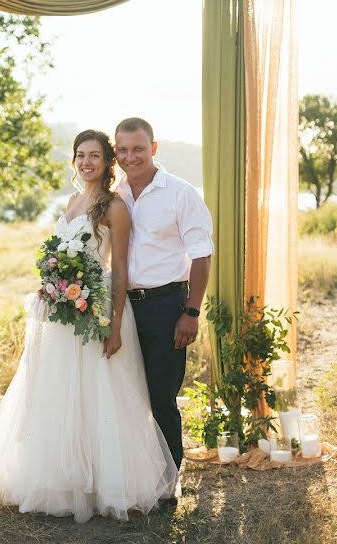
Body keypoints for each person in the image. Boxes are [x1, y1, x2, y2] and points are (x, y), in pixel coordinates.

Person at [0, 129, 177, 523]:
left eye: (95, 156)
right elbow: (60, 254)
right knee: (63, 393)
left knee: (100, 393)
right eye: (81, 155)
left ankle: (105, 483)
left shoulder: (114, 206)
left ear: (107, 162)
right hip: (65, 312)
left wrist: (115, 325)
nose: (87, 162)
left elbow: (119, 270)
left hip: (98, 309)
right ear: (74, 161)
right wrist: (52, 284)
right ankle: (65, 480)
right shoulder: (71, 201)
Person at [113, 117, 213, 491]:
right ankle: (134, 477)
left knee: (161, 396)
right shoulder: (116, 193)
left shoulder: (181, 193)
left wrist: (191, 312)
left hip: (166, 305)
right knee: (123, 392)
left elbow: (202, 255)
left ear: (154, 148)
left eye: (138, 148)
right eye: (122, 150)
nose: (130, 157)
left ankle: (169, 482)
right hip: (122, 308)